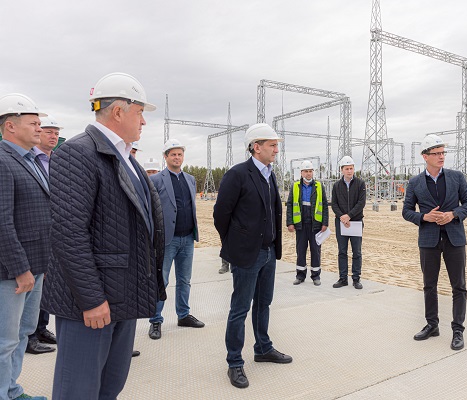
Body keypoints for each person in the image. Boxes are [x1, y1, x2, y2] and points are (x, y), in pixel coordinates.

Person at [41, 72, 166, 399]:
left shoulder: (127, 159)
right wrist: (92, 299)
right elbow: (69, 233)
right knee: (79, 390)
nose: (144, 121)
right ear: (119, 111)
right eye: (140, 112)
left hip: (122, 297)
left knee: (110, 386)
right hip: (92, 305)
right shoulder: (78, 153)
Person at [214, 123, 292, 389]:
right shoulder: (237, 175)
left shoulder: (270, 175)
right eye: (272, 145)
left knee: (263, 304)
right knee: (240, 309)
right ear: (256, 147)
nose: (276, 150)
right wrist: (235, 244)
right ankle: (234, 362)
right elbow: (220, 215)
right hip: (247, 255)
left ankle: (263, 348)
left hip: (268, 252)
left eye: (277, 145)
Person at [402, 134, 467, 351]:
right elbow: (406, 211)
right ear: (425, 156)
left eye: (443, 152)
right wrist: (424, 217)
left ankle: (458, 330)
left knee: (459, 286)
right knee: (429, 285)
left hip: (454, 238)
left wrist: (453, 214)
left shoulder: (456, 177)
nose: (441, 156)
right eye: (436, 153)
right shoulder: (415, 182)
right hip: (428, 239)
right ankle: (432, 325)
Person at [0, 93, 51, 400]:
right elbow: (2, 221)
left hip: (36, 265)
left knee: (22, 333)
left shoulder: (29, 160)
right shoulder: (3, 161)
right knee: (5, 340)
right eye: (33, 123)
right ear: (10, 126)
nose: (39, 128)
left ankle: (12, 390)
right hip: (13, 272)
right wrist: (21, 269)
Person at [148, 138, 204, 340]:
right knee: (161, 280)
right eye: (173, 154)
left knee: (184, 280)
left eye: (180, 154)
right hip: (166, 240)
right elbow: (151, 210)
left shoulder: (190, 179)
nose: (177, 157)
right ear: (166, 157)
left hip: (187, 238)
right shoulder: (156, 180)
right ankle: (155, 320)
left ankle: (183, 315)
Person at [25, 115, 62, 356]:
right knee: (33, 286)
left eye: (56, 133)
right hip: (34, 232)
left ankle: (41, 328)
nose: (53, 136)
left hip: (53, 231)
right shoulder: (30, 159)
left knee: (47, 285)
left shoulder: (56, 161)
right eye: (48, 131)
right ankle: (28, 336)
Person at [286, 160, 328, 286]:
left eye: (310, 171)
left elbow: (324, 205)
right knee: (301, 250)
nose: (308, 174)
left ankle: (316, 276)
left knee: (315, 251)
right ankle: (300, 275)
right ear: (301, 172)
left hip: (315, 225)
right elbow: (290, 205)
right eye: (306, 171)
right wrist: (290, 223)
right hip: (301, 224)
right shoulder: (295, 186)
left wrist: (325, 223)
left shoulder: (319, 186)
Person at [330, 156, 366, 289]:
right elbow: (334, 204)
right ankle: (343, 278)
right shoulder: (336, 186)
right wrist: (342, 217)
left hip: (355, 222)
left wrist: (349, 216)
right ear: (342, 170)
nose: (349, 171)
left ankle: (356, 279)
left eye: (351, 168)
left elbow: (361, 203)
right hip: (341, 223)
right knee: (342, 251)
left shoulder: (360, 184)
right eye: (347, 169)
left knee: (357, 252)